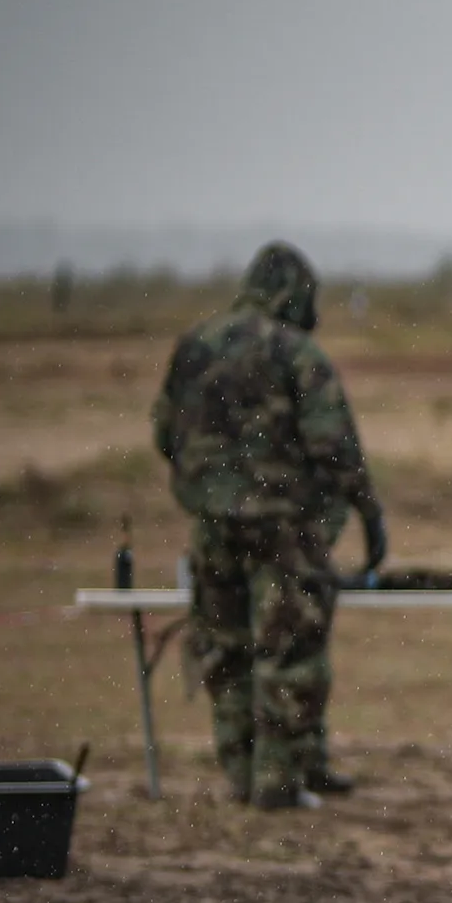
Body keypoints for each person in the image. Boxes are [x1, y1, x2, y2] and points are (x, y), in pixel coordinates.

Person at [151, 241, 383, 809]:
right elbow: (336, 448)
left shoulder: (195, 346)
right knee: (288, 651)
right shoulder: (295, 352)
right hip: (283, 533)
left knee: (226, 648)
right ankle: (277, 782)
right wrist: (368, 517)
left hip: (212, 527)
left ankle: (242, 773)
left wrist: (215, 482)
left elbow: (165, 434)